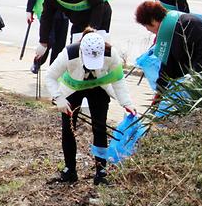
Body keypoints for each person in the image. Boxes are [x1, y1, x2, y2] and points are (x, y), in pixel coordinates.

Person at [45, 30, 135, 185]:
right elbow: (50, 76)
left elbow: (118, 81)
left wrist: (127, 103)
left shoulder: (110, 54)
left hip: (98, 88)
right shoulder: (69, 53)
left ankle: (101, 172)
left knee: (99, 128)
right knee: (68, 128)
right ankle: (70, 169)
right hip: (73, 89)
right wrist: (58, 98)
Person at [134, 1, 202, 92]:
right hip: (199, 83)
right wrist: (160, 90)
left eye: (146, 25)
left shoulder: (187, 23)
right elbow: (168, 64)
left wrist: (194, 79)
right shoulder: (167, 31)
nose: (147, 29)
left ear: (153, 20)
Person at [36, 0, 112, 55]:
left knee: (96, 48)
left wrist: (91, 31)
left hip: (99, 16)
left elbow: (98, 4)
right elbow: (47, 17)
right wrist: (43, 42)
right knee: (75, 50)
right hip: (78, 20)